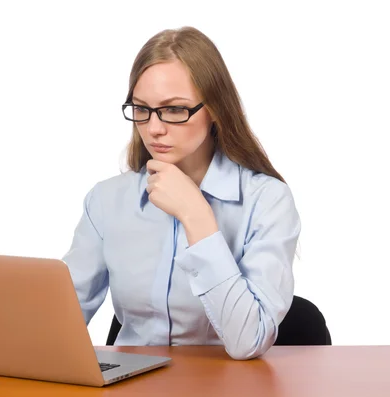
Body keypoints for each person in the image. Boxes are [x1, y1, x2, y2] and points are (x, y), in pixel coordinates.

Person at [62, 26, 300, 360]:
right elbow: (58, 320)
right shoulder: (106, 201)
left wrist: (196, 215)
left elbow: (249, 340)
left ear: (215, 109)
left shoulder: (267, 201)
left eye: (174, 110)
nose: (154, 128)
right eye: (141, 108)